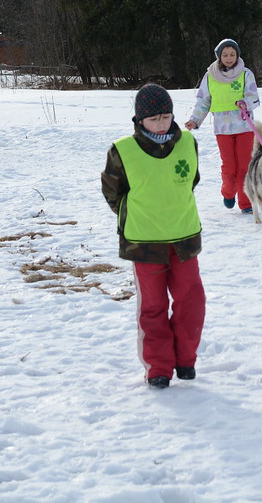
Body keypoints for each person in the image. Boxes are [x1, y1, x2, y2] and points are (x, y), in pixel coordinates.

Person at [102, 84, 206, 389]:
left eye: (166, 116)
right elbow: (113, 191)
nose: (161, 123)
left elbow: (191, 180)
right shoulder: (122, 150)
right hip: (144, 242)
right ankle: (158, 366)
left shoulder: (188, 142)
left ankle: (185, 359)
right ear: (139, 119)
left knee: (192, 300)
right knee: (153, 306)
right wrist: (135, 214)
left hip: (184, 237)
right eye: (154, 118)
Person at [185, 39, 260, 214]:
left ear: (237, 55)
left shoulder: (245, 74)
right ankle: (228, 192)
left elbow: (254, 97)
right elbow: (203, 101)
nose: (229, 58)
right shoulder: (210, 76)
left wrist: (245, 103)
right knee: (229, 166)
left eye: (232, 54)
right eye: (225, 55)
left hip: (244, 128)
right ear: (219, 56)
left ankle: (246, 202)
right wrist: (195, 120)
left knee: (244, 165)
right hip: (222, 129)